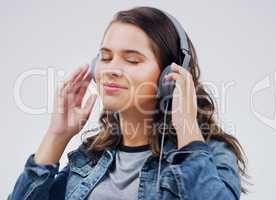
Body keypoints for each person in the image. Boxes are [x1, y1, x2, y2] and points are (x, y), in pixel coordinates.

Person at [8, 6, 248, 200]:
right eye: (105, 57)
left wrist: (187, 127)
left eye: (132, 60)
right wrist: (56, 136)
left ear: (170, 76)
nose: (111, 70)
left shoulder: (212, 155)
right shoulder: (90, 159)